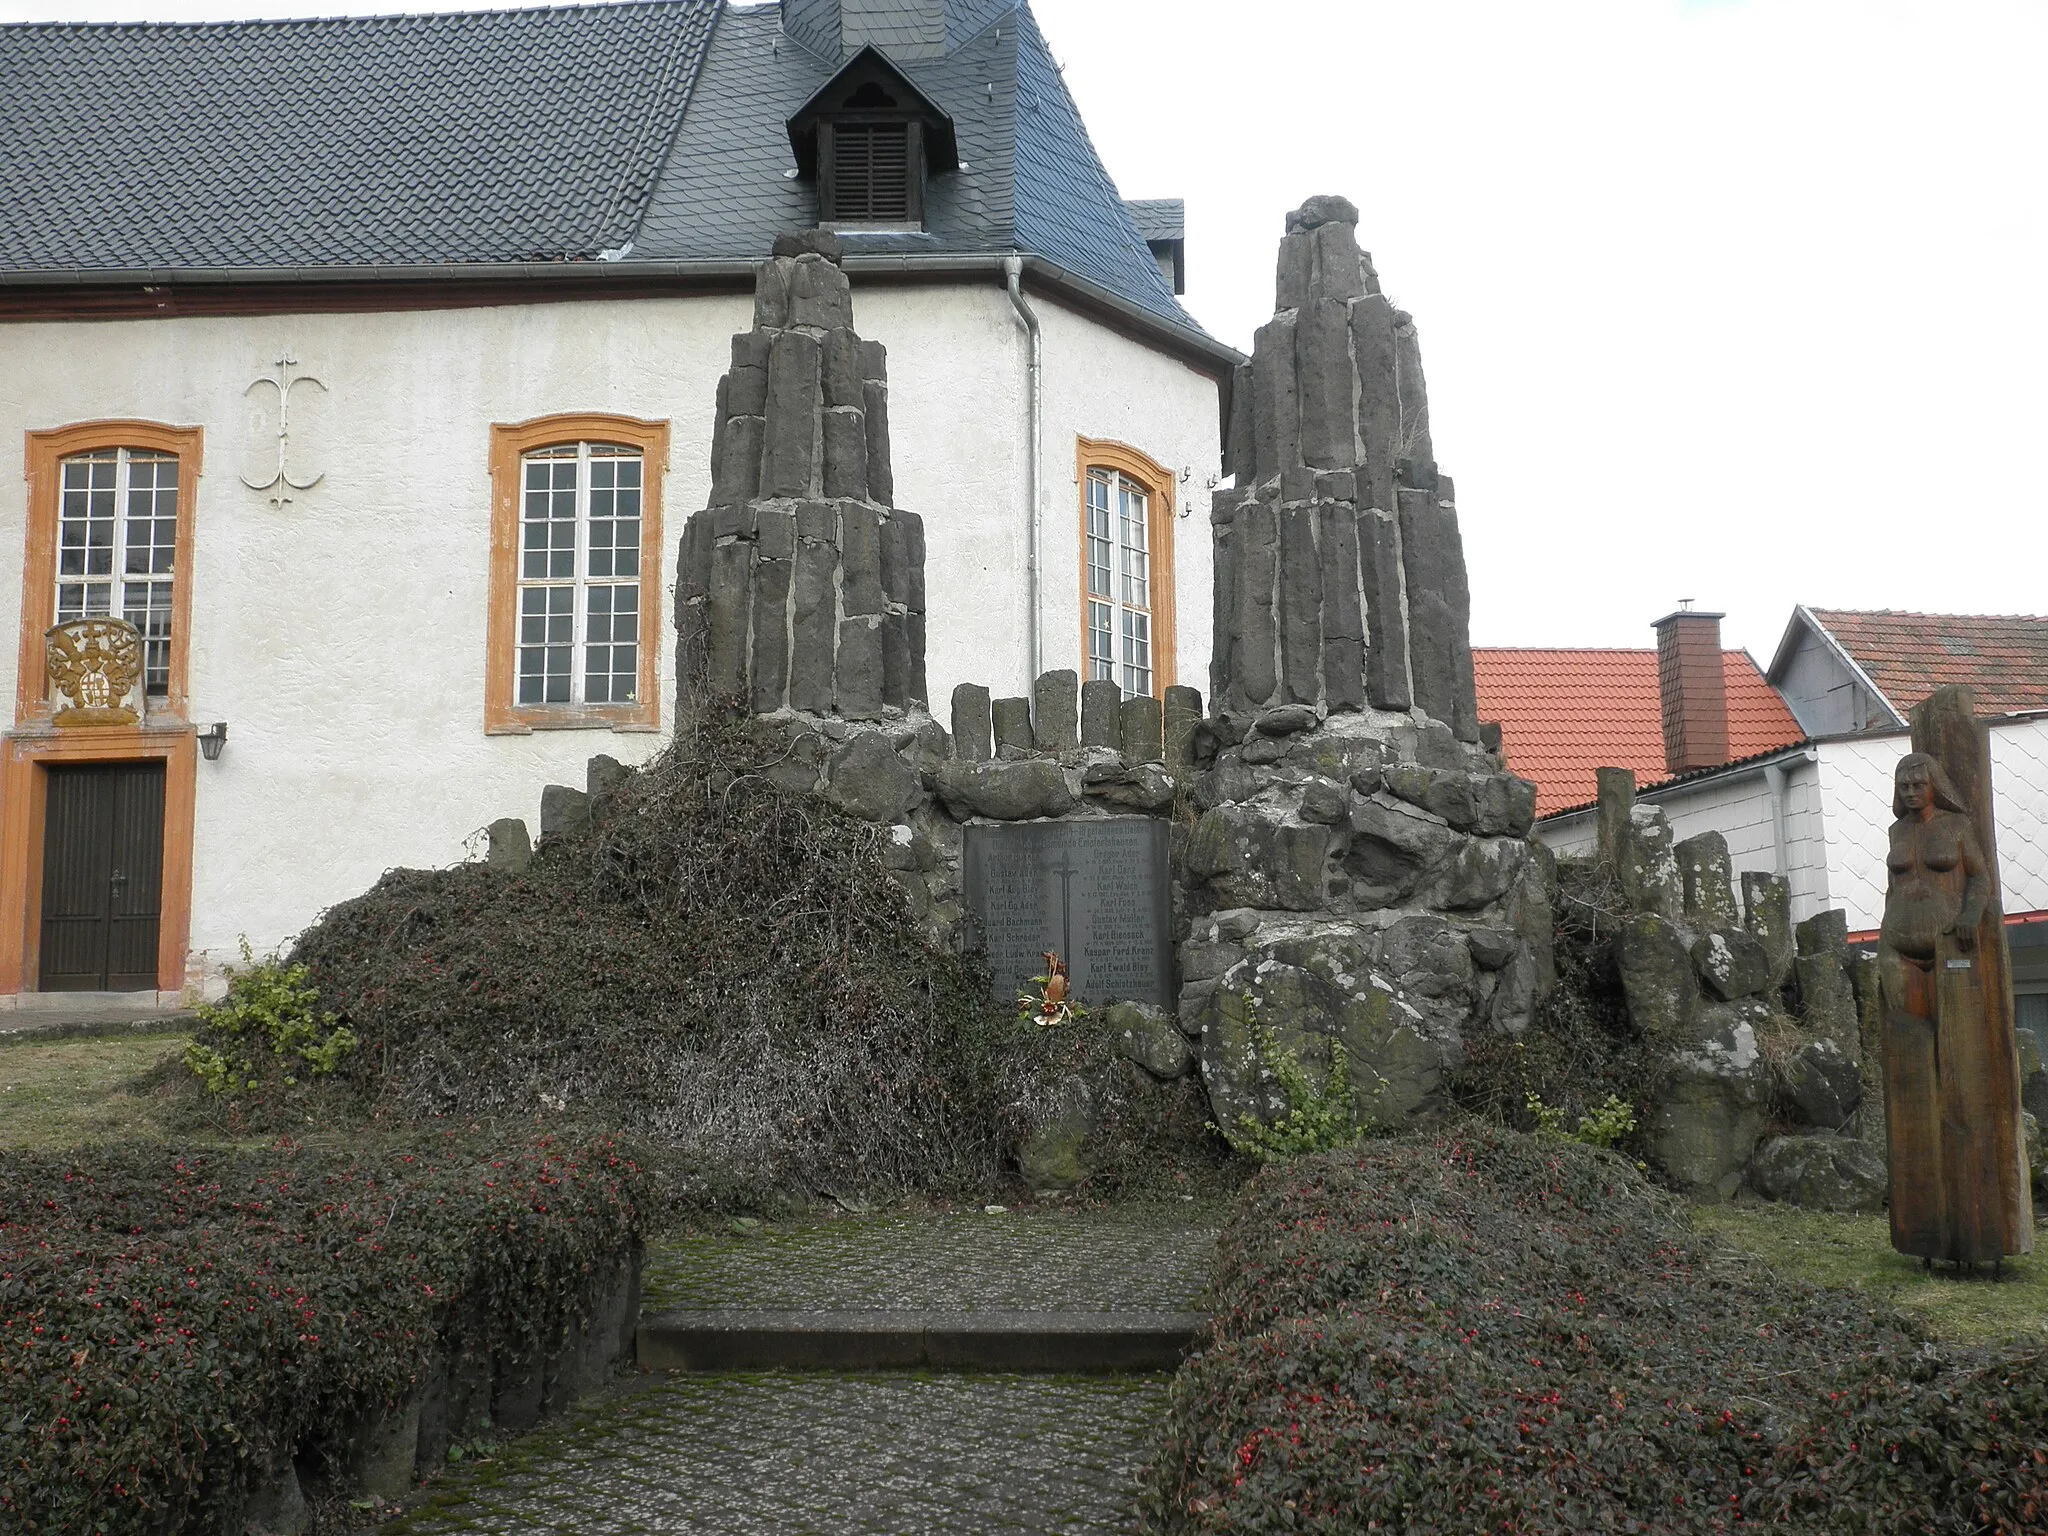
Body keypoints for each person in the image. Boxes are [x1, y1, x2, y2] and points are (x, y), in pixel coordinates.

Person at [1878, 752, 2016, 1265]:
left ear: (1935, 785)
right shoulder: (1895, 834)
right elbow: (1895, 884)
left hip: (1950, 950)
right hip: (1898, 947)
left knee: (1961, 1065)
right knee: (1907, 1057)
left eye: (1919, 783)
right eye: (1903, 784)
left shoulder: (1957, 826)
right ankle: (1920, 1228)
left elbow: (1979, 878)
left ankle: (1975, 1227)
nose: (1911, 791)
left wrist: (1969, 915)